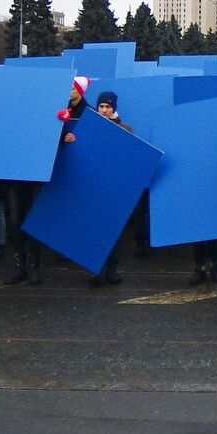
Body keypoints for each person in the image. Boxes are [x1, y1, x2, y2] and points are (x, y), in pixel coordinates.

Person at [6, 75, 88, 286]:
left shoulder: (48, 112)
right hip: (15, 173)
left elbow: (53, 136)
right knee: (15, 221)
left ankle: (33, 266)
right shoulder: (12, 116)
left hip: (36, 173)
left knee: (33, 219)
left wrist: (63, 135)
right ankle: (19, 266)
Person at [90, 91, 134, 287]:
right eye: (101, 106)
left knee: (113, 231)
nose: (104, 110)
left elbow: (129, 159)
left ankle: (112, 269)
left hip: (113, 188)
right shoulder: (89, 127)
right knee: (94, 230)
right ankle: (95, 269)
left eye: (108, 107)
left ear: (114, 108)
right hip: (93, 186)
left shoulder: (125, 129)